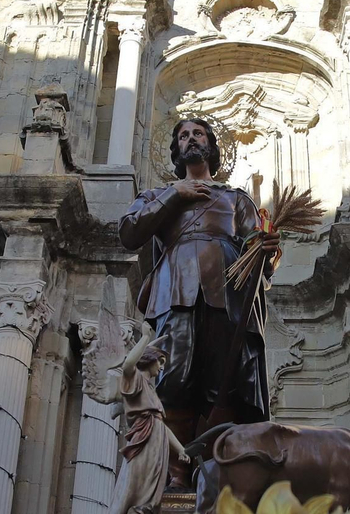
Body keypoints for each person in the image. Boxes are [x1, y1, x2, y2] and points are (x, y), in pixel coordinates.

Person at [118, 118, 278, 482]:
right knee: (172, 379)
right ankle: (175, 471)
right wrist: (177, 195)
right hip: (175, 292)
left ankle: (217, 469)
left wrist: (267, 248)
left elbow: (261, 260)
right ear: (176, 149)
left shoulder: (237, 198)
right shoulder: (157, 195)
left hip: (229, 295)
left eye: (199, 134)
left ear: (211, 145)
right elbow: (129, 233)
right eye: (183, 136)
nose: (191, 139)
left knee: (226, 382)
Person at [89, 333, 186, 514]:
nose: (161, 368)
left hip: (157, 441)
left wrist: (180, 448)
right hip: (143, 442)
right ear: (149, 359)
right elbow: (129, 362)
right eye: (159, 362)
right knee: (136, 486)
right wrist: (144, 338)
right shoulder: (134, 378)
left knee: (152, 494)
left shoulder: (150, 389)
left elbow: (161, 423)